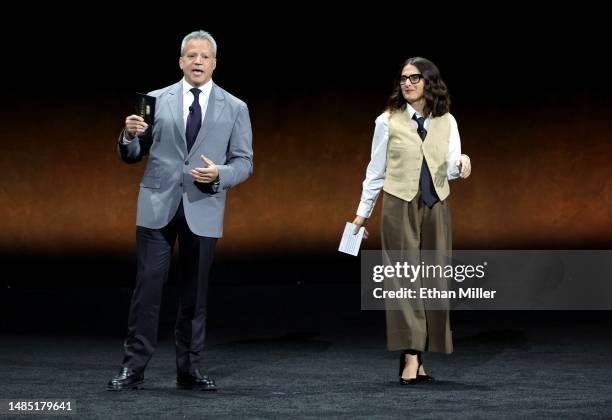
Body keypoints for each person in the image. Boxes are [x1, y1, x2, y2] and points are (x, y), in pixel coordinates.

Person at [107, 30, 253, 391]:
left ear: (215, 63)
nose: (198, 61)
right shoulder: (156, 100)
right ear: (181, 61)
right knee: (148, 290)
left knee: (195, 294)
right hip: (157, 205)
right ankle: (133, 369)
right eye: (191, 55)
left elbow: (244, 162)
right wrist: (128, 135)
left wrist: (221, 174)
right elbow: (132, 155)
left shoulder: (235, 107)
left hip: (203, 205)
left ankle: (189, 370)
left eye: (205, 56)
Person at [352, 57, 471, 385]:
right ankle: (410, 355)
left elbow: (449, 167)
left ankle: (423, 354)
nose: (407, 83)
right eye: (404, 78)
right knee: (404, 280)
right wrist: (361, 218)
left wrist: (462, 162)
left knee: (434, 280)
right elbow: (375, 173)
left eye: (415, 78)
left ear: (430, 82)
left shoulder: (447, 121)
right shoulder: (387, 121)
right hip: (398, 205)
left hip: (436, 206)